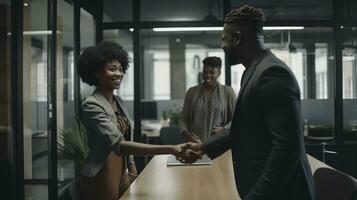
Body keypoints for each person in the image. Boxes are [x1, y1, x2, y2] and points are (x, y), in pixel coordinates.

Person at [181, 5, 317, 200]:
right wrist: (204, 147)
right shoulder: (253, 72)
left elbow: (287, 149)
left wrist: (256, 196)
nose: (222, 45)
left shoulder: (272, 74)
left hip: (283, 193)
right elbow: (242, 129)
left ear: (237, 37)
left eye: (223, 38)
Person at [77, 41, 185, 200]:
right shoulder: (92, 104)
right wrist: (170, 149)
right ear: (97, 72)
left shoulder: (118, 101)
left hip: (121, 169)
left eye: (121, 69)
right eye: (112, 69)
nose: (119, 73)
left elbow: (127, 135)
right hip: (102, 171)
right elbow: (118, 143)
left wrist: (131, 165)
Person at [179, 56, 236, 142]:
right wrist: (185, 133)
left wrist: (223, 129)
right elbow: (183, 119)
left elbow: (237, 119)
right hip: (195, 144)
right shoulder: (192, 92)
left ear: (219, 73)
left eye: (212, 73)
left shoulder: (228, 92)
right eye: (205, 72)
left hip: (219, 144)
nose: (208, 76)